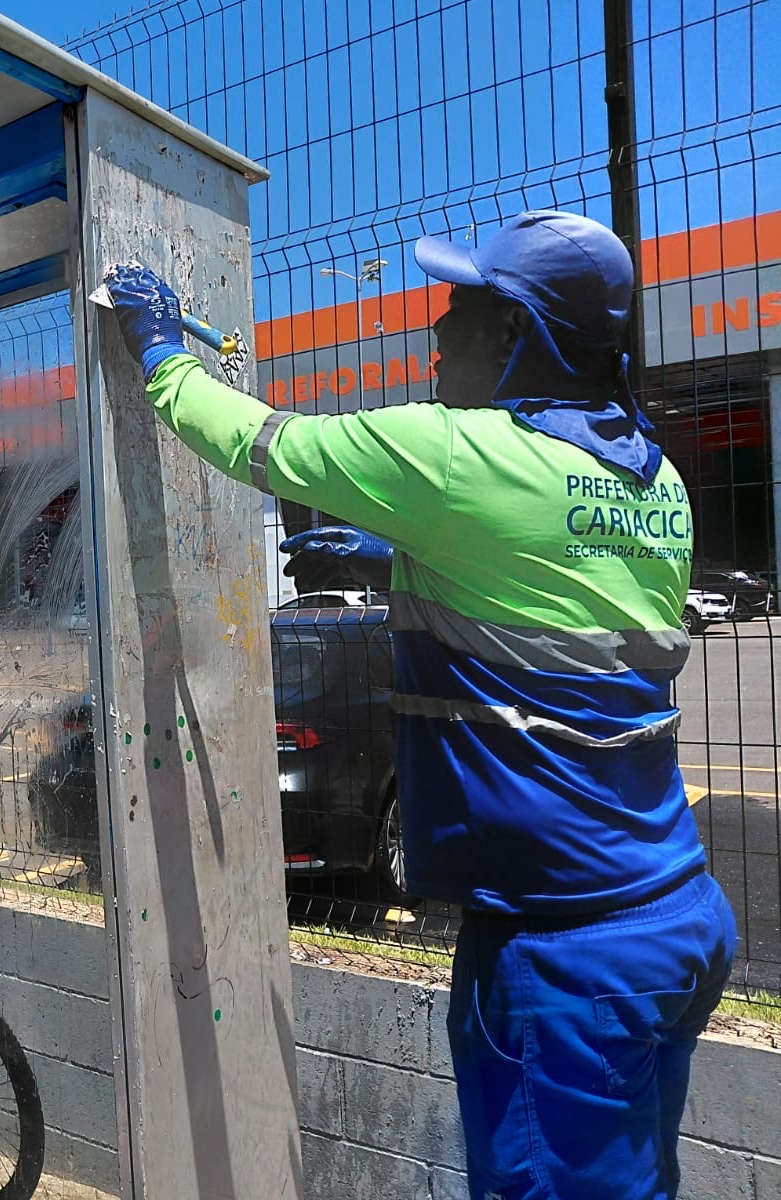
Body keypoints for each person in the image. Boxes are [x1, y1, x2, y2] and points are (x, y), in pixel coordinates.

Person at [102, 212, 735, 1200]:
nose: (433, 334)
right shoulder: (652, 478)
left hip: (566, 954)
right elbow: (550, 582)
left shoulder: (454, 454)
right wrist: (396, 557)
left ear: (516, 335)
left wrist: (157, 343)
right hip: (670, 921)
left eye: (459, 312)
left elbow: (246, 438)